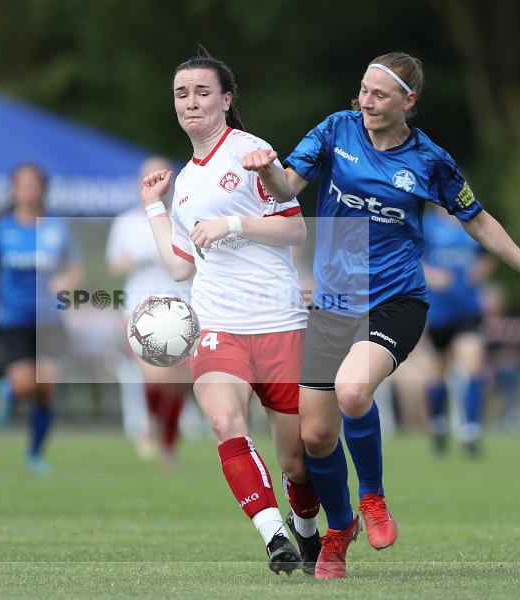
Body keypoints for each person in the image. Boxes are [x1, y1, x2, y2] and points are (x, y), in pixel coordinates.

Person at [243, 51, 520, 578]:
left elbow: (478, 220)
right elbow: (286, 187)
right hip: (336, 301)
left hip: (398, 301)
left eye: (379, 94)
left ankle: (373, 497)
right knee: (314, 439)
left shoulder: (429, 160)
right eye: (362, 90)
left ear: (409, 100)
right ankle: (339, 529)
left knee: (354, 390)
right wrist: (266, 167)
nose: (366, 102)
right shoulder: (336, 130)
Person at [141, 49, 321, 576]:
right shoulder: (186, 180)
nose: (191, 102)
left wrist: (233, 226)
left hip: (278, 322)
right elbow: (181, 266)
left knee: (297, 460)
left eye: (202, 92)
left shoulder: (252, 151)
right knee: (224, 420)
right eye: (181, 93)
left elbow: (294, 229)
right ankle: (274, 538)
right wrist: (154, 206)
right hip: (217, 325)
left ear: (225, 99)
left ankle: (307, 532)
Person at [0, 162, 82, 474]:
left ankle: (35, 455)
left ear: (42, 189)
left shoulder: (57, 227)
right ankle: (9, 390)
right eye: (23, 184)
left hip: (49, 319)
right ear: (14, 190)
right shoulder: (1, 227)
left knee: (47, 387)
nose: (29, 189)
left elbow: (75, 268)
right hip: (14, 317)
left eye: (34, 184)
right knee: (27, 382)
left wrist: (67, 281)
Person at [107, 156, 192, 468]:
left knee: (177, 382)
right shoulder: (127, 222)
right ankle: (153, 430)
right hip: (139, 308)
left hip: (181, 306)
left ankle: (168, 443)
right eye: (147, 176)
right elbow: (115, 265)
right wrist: (136, 259)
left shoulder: (184, 217)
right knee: (154, 376)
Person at [421, 204, 495, 457]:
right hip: (438, 311)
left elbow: (488, 253)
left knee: (473, 365)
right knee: (438, 372)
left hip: (468, 309)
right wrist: (430, 274)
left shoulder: (471, 221)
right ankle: (438, 425)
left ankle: (471, 430)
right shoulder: (428, 226)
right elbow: (413, 257)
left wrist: (479, 271)